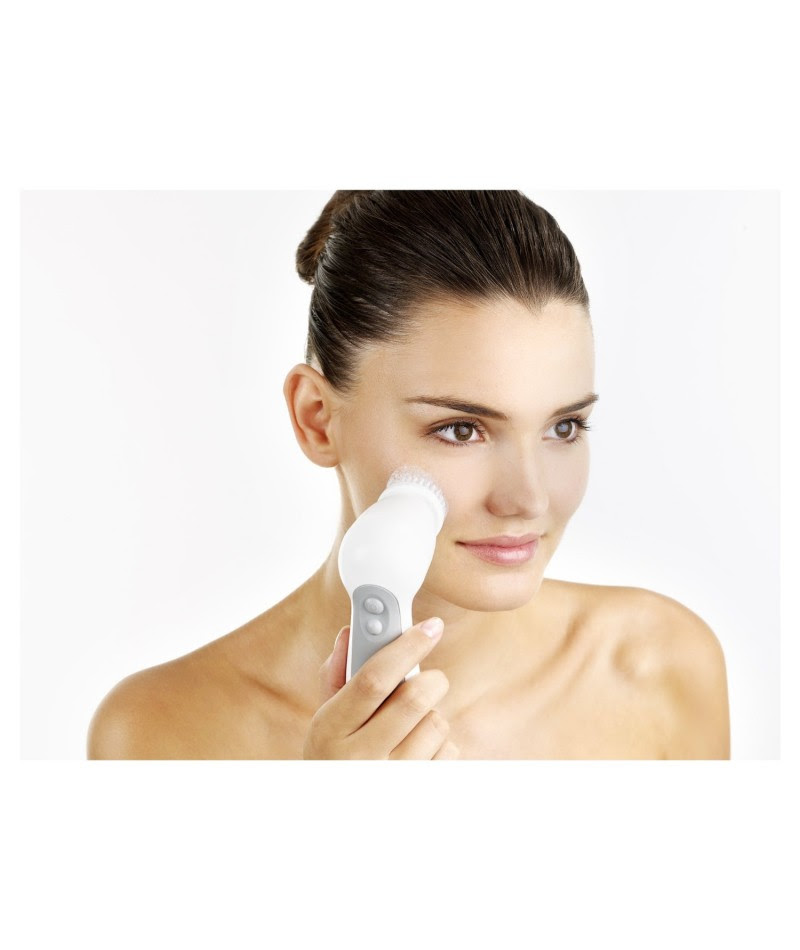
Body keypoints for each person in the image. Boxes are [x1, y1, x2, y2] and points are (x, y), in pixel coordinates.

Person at [86, 190, 730, 760]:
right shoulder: (160, 732)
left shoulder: (658, 668)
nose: (528, 499)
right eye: (461, 429)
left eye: (563, 428)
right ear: (317, 419)